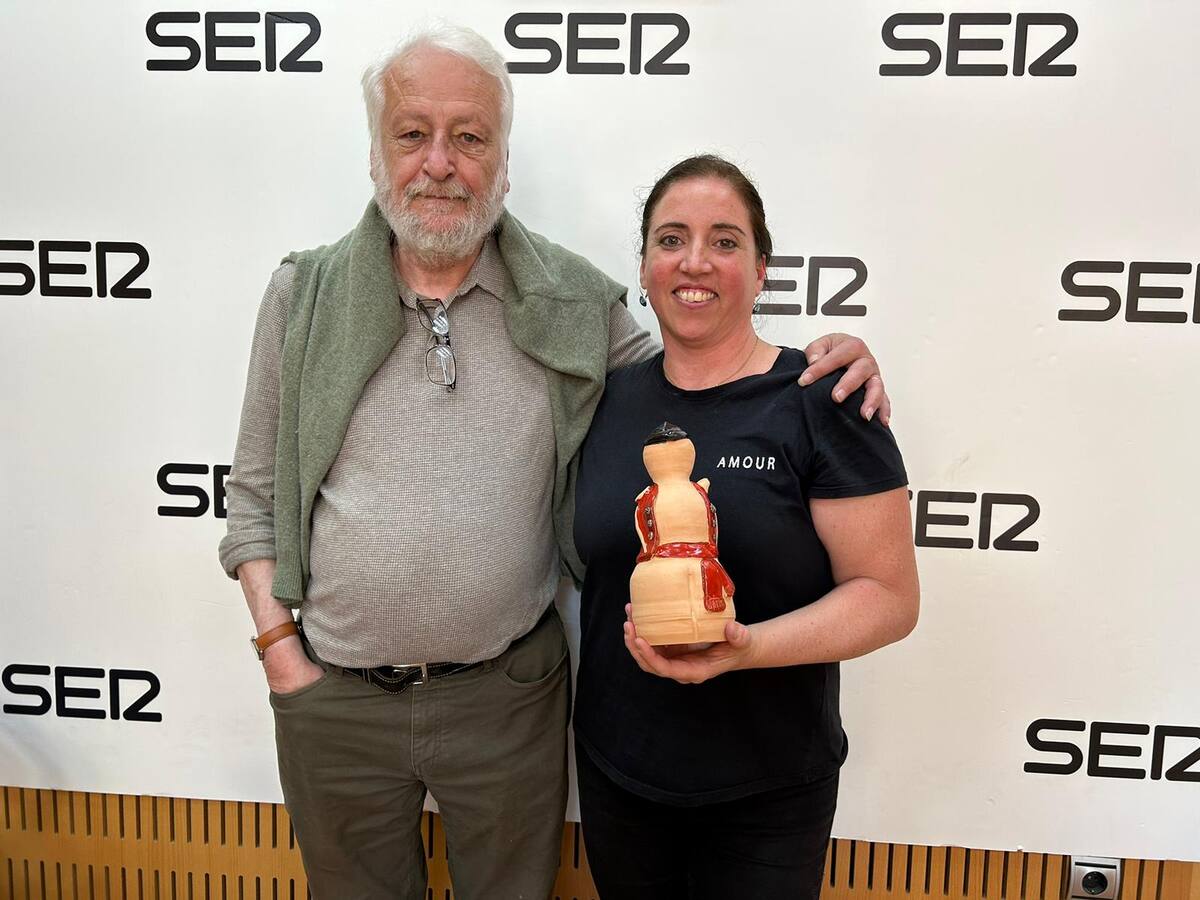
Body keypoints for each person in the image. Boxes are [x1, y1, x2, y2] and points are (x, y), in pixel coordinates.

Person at [218, 21, 895, 900]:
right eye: (413, 133)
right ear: (376, 154)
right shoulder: (301, 295)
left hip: (508, 700)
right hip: (332, 701)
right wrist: (282, 656)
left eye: (470, 137)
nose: (439, 163)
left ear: (503, 163)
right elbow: (254, 496)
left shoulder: (573, 303)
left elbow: (696, 379)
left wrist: (831, 363)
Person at [572, 155, 921, 900]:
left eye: (724, 241)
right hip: (618, 772)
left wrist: (748, 648)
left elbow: (889, 597)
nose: (695, 261)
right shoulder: (602, 400)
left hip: (769, 788)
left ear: (762, 270)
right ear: (644, 268)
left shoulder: (824, 400)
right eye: (671, 239)